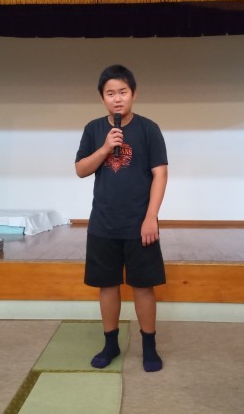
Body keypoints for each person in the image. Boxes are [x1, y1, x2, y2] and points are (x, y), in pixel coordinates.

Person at [75, 64, 168, 372]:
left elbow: (160, 174)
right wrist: (105, 148)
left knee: (143, 286)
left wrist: (151, 217)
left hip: (140, 224)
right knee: (107, 285)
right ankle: (110, 344)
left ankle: (149, 347)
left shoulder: (149, 129)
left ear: (134, 94)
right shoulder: (93, 129)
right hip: (103, 222)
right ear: (102, 97)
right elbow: (81, 169)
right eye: (110, 93)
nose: (117, 99)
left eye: (123, 92)